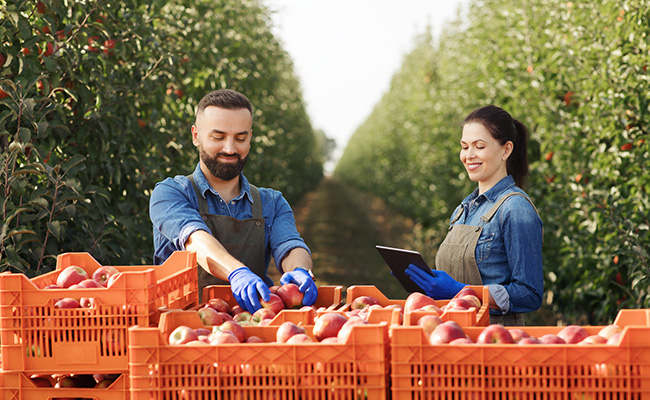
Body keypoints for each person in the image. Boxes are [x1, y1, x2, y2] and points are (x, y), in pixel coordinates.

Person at [149, 89, 317, 314]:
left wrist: (300, 270)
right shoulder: (171, 193)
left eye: (240, 138)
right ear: (196, 136)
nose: (230, 149)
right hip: (183, 327)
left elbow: (289, 245)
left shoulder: (272, 202)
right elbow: (195, 240)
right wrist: (237, 272)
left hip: (250, 327)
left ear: (250, 137)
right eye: (218, 137)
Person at [403, 105, 543, 326]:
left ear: (506, 150)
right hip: (453, 334)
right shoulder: (463, 210)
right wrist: (426, 283)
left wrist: (464, 292)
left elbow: (529, 293)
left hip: (493, 342)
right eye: (464, 146)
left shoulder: (516, 209)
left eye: (479, 146)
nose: (469, 155)